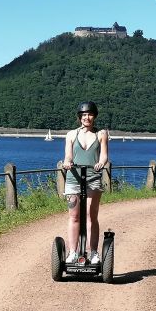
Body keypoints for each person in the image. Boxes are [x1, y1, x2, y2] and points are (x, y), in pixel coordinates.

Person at [62, 101, 109, 264]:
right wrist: (67, 162)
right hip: (73, 179)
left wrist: (101, 163)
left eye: (89, 114)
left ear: (94, 116)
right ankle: (73, 252)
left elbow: (103, 155)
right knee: (74, 216)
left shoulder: (101, 134)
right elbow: (68, 155)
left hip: (93, 177)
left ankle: (94, 252)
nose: (86, 118)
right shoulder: (71, 135)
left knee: (91, 215)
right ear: (79, 117)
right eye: (83, 115)